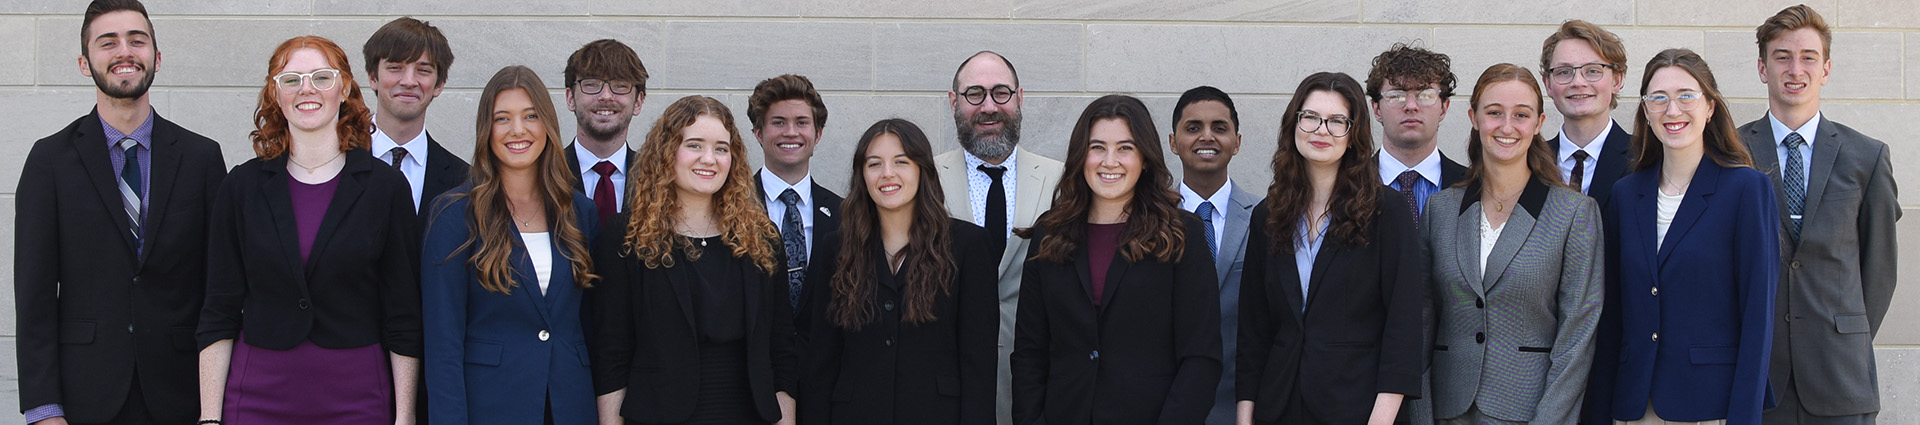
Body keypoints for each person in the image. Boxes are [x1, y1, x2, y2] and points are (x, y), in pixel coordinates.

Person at [15, 1, 228, 423]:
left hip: (183, 395)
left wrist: (213, 407)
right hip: (84, 399)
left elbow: (219, 288)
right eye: (107, 42)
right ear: (84, 62)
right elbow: (34, 297)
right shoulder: (49, 160)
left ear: (157, 57)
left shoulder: (202, 157)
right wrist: (44, 411)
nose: (124, 52)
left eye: (137, 40)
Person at [196, 35, 422, 425]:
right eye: (291, 79)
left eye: (321, 77)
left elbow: (402, 313)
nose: (307, 90)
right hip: (256, 398)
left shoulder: (385, 188)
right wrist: (210, 418)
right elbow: (219, 310)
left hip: (358, 398)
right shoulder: (241, 188)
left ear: (345, 86)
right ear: (275, 92)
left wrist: (404, 417)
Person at [1589, 48, 1779, 425]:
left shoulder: (1747, 189)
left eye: (1686, 96)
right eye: (1658, 98)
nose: (1672, 110)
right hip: (1634, 408)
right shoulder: (1626, 195)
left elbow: (1758, 317)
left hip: (1710, 407)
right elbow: (1610, 319)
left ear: (1710, 107)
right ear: (1645, 111)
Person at [1011, 94, 1221, 425]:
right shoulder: (1050, 235)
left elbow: (1201, 357)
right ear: (1082, 156)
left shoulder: (1183, 235)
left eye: (1125, 148)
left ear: (1145, 158)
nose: (1110, 161)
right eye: (1097, 147)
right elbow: (1029, 353)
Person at [589, 96, 798, 425]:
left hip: (748, 414)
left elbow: (782, 350)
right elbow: (612, 354)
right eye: (695, 145)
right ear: (667, 152)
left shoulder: (762, 239)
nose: (709, 159)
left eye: (721, 148)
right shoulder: (627, 237)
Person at [1738, 6, 1899, 425]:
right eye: (1782, 56)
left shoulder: (1867, 156)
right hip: (1757, 379)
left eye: (1808, 57)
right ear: (1762, 67)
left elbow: (1879, 269)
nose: (1795, 69)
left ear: (1825, 69)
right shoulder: (1729, 153)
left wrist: (1846, 335)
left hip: (1840, 377)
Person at [1237, 72, 1426, 425]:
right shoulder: (1268, 214)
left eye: (1337, 121)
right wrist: (1245, 418)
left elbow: (1403, 329)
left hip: (1357, 408)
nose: (1321, 130)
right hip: (1278, 407)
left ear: (1353, 134)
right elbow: (1253, 332)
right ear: (1293, 123)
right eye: (1310, 117)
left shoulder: (1388, 211)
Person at [1423, 63, 1603, 425]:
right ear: (1474, 117)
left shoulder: (1574, 213)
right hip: (1447, 410)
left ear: (1538, 123)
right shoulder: (1440, 210)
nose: (1507, 127)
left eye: (1521, 115)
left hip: (1529, 411)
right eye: (1494, 113)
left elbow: (1578, 336)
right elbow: (1422, 325)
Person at [420, 65, 599, 425]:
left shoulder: (580, 211)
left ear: (547, 123)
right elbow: (443, 345)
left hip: (570, 405)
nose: (518, 130)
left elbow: (592, 324)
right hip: (491, 406)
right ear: (487, 129)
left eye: (530, 116)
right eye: (503, 118)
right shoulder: (454, 214)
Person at [800, 118, 998, 425]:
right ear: (862, 175)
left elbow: (979, 364)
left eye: (901, 162)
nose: (887, 174)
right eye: (874, 164)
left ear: (922, 170)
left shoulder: (967, 246)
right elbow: (821, 361)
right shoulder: (836, 248)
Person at [933, 50, 1066, 425]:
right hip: (946, 379)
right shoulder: (924, 179)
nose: (989, 106)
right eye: (974, 93)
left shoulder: (1062, 181)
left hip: (1035, 382)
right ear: (953, 101)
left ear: (1020, 98)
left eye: (1001, 93)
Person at [1165, 86, 1264, 425]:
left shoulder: (1266, 219)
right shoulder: (1149, 220)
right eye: (1193, 128)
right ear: (1173, 141)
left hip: (1243, 406)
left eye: (1219, 128)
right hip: (1165, 405)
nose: (1206, 137)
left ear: (1237, 141)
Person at [746, 74, 843, 322]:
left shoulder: (844, 213)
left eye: (801, 122)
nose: (791, 132)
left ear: (818, 133)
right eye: (778, 122)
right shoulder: (732, 206)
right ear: (758, 132)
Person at [362, 16, 471, 222]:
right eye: (395, 67)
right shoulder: (335, 160)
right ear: (373, 77)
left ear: (439, 85)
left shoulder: (464, 181)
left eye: (423, 70)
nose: (409, 81)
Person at [1366, 43, 1468, 227]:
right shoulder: (1347, 184)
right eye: (1396, 96)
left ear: (1444, 108)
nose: (1411, 106)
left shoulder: (1473, 187)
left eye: (1425, 95)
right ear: (1377, 109)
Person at [1541, 19, 1633, 210]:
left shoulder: (1645, 158)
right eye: (1564, 72)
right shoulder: (1531, 161)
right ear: (1548, 84)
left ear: (1617, 80)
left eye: (1592, 70)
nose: (1578, 82)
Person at [562, 39, 649, 221]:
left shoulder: (656, 179)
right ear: (570, 98)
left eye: (620, 85)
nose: (606, 96)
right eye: (592, 84)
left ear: (638, 102)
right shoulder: (546, 174)